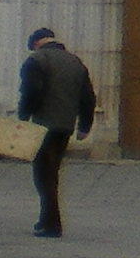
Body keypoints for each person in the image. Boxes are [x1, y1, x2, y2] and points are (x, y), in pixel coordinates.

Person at [16, 26, 96, 238]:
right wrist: (85, 125)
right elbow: (88, 96)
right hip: (65, 126)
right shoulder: (75, 62)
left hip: (43, 124)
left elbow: (30, 91)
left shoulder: (37, 61)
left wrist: (22, 117)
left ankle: (52, 223)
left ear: (36, 43)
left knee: (44, 175)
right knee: (52, 172)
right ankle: (45, 219)